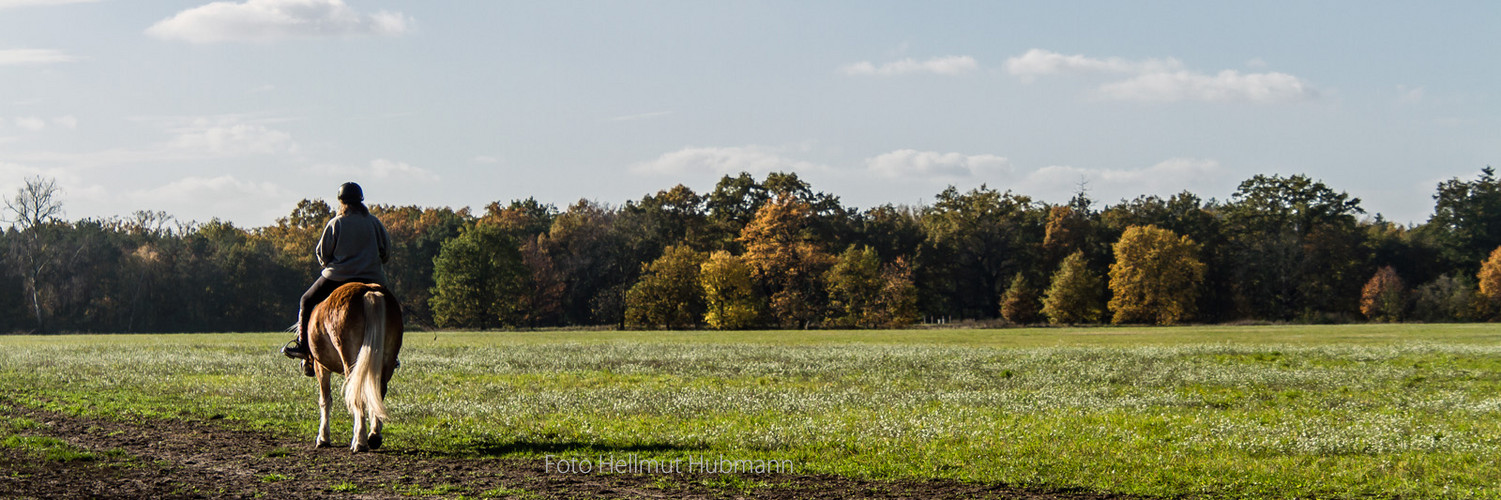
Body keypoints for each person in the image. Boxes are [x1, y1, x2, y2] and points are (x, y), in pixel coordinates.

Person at [281, 182, 391, 360]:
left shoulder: (336, 223)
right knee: (391, 308)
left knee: (306, 300)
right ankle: (390, 352)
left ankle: (303, 346)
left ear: (341, 202)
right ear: (361, 201)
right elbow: (386, 253)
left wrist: (334, 264)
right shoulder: (375, 223)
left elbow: (322, 254)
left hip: (338, 277)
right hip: (372, 278)